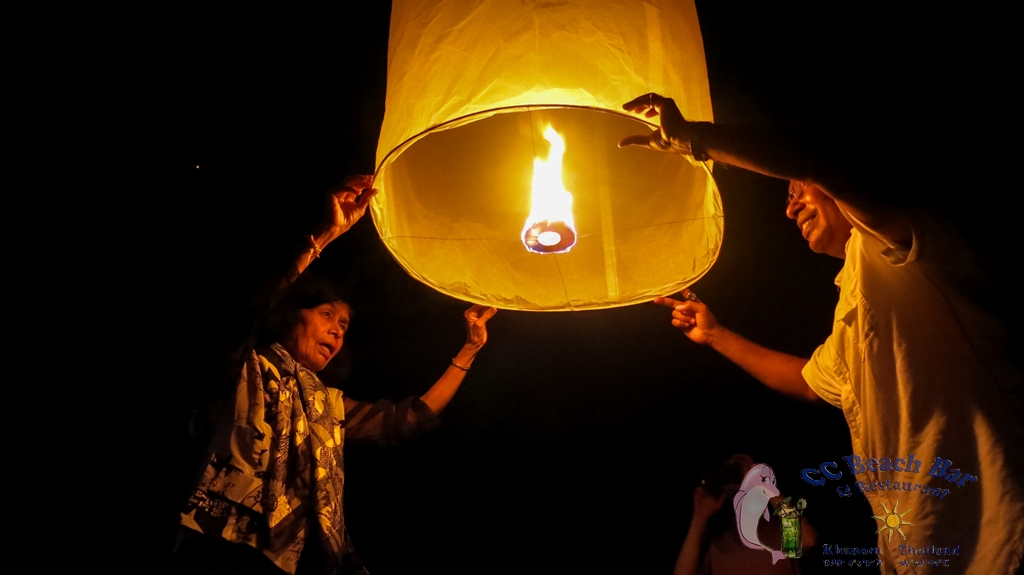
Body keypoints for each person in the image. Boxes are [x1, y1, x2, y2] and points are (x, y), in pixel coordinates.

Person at [620, 94, 1023, 574]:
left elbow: (822, 157)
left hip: (998, 535)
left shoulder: (909, 239)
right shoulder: (714, 545)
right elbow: (812, 382)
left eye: (797, 190)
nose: (790, 209)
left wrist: (694, 138)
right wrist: (714, 334)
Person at [174, 175, 498, 575]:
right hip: (219, 550)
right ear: (292, 317)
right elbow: (250, 311)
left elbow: (409, 419)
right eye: (327, 315)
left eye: (344, 325)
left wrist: (470, 349)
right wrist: (325, 234)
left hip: (296, 564)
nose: (337, 331)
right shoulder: (241, 366)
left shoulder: (328, 406)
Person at [674, 454, 816, 575]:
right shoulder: (717, 541)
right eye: (732, 472)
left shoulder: (779, 530)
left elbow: (808, 541)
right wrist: (699, 517)